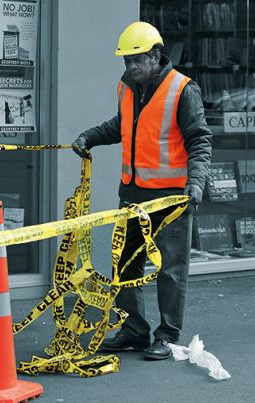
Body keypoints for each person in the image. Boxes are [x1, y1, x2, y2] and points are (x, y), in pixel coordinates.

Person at [72, 22, 212, 360]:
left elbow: (200, 140)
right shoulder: (127, 87)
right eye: (126, 61)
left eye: (136, 60)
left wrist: (195, 183)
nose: (130, 67)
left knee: (171, 270)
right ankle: (134, 331)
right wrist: (89, 137)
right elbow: (120, 126)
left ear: (155, 56)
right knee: (125, 265)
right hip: (133, 195)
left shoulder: (182, 89)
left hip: (172, 198)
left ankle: (167, 336)